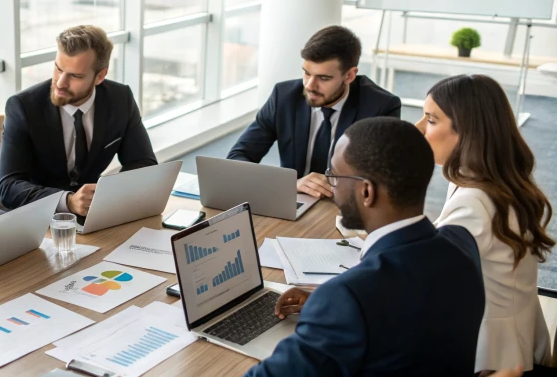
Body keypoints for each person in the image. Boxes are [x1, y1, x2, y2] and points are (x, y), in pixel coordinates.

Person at [245, 117, 485, 377]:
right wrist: (329, 307)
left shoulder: (348, 296)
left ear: (367, 192)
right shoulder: (462, 248)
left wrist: (333, 309)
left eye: (335, 177)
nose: (332, 187)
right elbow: (411, 312)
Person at [416, 74, 554, 375]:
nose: (419, 128)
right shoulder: (489, 180)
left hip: (493, 359)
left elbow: (424, 281)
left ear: (467, 132)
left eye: (431, 119)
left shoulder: (475, 201)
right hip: (516, 340)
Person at [227, 25, 401, 199]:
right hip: (294, 198)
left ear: (349, 76)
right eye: (306, 73)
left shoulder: (380, 107)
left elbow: (385, 178)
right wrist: (289, 185)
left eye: (323, 78)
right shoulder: (284, 97)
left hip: (348, 205)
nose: (310, 85)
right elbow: (237, 158)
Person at [0, 25, 157, 216]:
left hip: (94, 216)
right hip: (39, 220)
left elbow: (143, 163)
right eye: (58, 68)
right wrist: (68, 201)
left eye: (75, 76)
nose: (60, 83)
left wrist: (108, 195)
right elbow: (9, 186)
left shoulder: (120, 99)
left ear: (100, 76)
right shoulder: (23, 107)